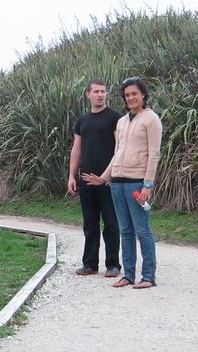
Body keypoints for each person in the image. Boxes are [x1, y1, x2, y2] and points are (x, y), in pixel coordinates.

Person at [82, 76, 162, 289]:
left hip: (137, 182)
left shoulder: (151, 119)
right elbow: (117, 153)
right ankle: (128, 274)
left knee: (142, 229)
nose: (131, 98)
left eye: (134, 94)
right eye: (127, 95)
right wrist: (105, 177)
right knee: (125, 230)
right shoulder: (122, 121)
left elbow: (154, 154)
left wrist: (148, 184)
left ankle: (148, 275)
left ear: (143, 94)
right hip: (117, 182)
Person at [68, 78, 122, 277]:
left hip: (108, 180)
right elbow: (77, 148)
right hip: (86, 180)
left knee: (111, 223)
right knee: (90, 224)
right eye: (96, 91)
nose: (100, 95)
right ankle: (90, 264)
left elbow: (119, 148)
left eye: (103, 91)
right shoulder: (82, 120)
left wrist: (107, 176)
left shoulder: (115, 117)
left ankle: (113, 264)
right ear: (88, 94)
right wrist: (72, 176)